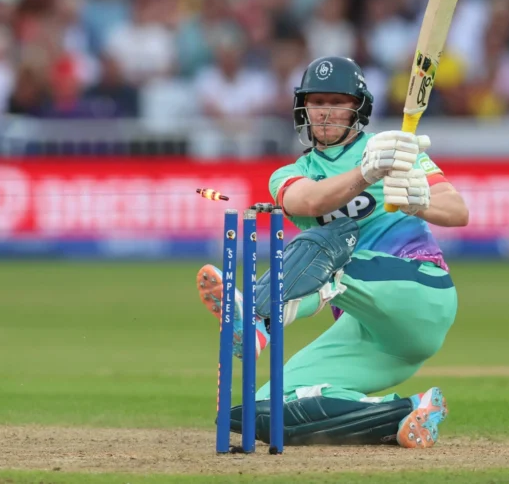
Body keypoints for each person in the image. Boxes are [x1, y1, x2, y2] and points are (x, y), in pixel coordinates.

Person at [195, 56, 469, 448]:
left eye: (337, 101)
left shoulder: (391, 150)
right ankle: (406, 412)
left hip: (420, 291)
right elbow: (308, 202)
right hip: (370, 329)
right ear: (303, 108)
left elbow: (458, 211)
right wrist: (367, 175)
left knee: (328, 245)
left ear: (357, 108)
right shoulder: (291, 173)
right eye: (317, 101)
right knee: (266, 407)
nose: (325, 112)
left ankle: (257, 319)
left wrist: (418, 200)